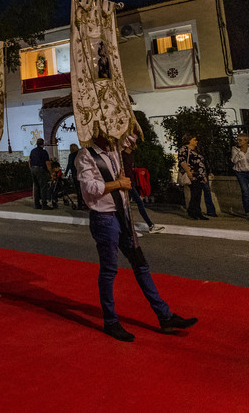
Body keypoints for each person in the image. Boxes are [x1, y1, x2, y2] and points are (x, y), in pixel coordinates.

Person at [75, 137, 197, 342]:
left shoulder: (114, 148)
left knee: (141, 265)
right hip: (104, 218)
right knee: (109, 270)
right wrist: (118, 183)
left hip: (123, 215)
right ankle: (110, 321)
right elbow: (90, 188)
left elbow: (132, 136)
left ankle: (165, 316)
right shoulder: (86, 154)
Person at [121, 136, 165, 234]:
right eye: (134, 143)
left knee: (128, 205)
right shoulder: (122, 155)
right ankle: (148, 226)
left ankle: (130, 228)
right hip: (126, 183)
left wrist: (138, 172)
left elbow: (131, 168)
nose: (136, 145)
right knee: (132, 204)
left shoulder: (131, 155)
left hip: (131, 182)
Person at [179, 133, 214, 220]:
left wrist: (205, 174)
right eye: (194, 140)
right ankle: (193, 211)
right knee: (195, 193)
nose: (196, 142)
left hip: (200, 175)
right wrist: (188, 172)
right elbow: (182, 161)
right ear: (189, 140)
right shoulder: (184, 149)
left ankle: (197, 212)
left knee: (198, 193)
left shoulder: (197, 150)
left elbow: (202, 162)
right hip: (192, 173)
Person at [29, 138, 54, 209]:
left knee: (36, 187)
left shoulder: (32, 151)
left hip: (33, 169)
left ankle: (37, 204)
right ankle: (44, 204)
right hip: (40, 169)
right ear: (42, 144)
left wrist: (31, 169)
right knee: (43, 187)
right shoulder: (44, 152)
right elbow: (47, 163)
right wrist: (51, 172)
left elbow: (29, 161)